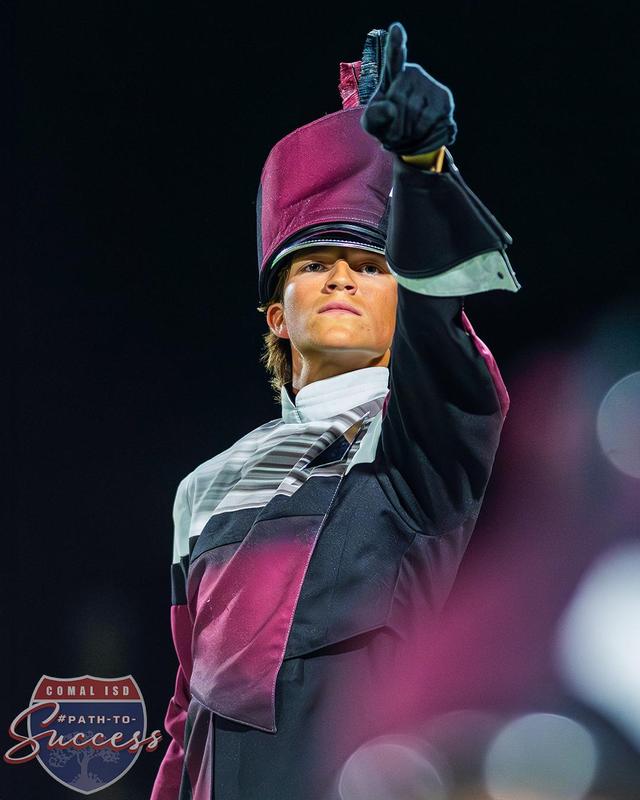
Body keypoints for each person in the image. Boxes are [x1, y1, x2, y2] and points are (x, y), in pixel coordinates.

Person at [151, 22, 521, 800]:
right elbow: (187, 710)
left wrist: (422, 170)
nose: (342, 279)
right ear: (276, 316)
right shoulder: (203, 488)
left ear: (402, 297)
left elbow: (442, 342)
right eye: (315, 264)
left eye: (371, 266)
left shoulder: (420, 435)